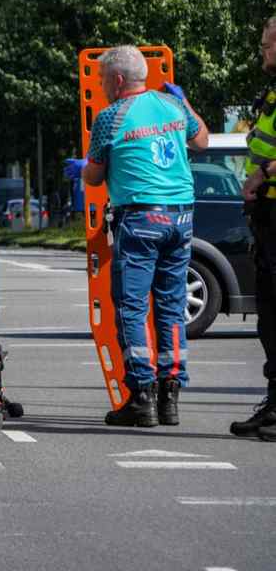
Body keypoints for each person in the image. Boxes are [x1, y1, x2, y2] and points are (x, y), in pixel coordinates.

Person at [83, 45, 208, 427]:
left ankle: (141, 397)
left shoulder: (110, 117)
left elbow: (95, 176)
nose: (102, 86)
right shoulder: (172, 106)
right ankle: (171, 395)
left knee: (133, 307)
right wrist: (186, 105)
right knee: (171, 307)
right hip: (181, 217)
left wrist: (82, 169)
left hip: (140, 218)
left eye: (104, 79)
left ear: (118, 80)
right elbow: (201, 141)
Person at [233, 17, 276, 441]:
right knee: (269, 316)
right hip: (266, 214)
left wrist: (263, 173)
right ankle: (273, 403)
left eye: (266, 45)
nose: (262, 51)